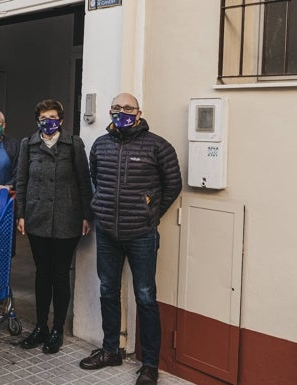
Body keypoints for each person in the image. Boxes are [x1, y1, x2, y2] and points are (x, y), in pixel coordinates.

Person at [79, 93, 182, 385]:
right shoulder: (100, 144)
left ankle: (150, 364)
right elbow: (96, 177)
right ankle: (110, 349)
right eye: (116, 108)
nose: (121, 112)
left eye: (127, 108)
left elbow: (173, 184)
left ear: (139, 112)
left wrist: (151, 214)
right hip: (108, 234)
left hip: (141, 234)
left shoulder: (157, 146)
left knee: (146, 297)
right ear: (110, 111)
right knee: (108, 290)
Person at [15, 99, 93, 354]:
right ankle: (40, 327)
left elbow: (84, 181)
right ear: (37, 121)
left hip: (66, 218)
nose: (48, 122)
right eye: (43, 118)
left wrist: (86, 214)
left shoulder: (74, 145)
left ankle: (57, 328)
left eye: (53, 117)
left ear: (61, 120)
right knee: (42, 274)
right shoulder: (29, 145)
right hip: (37, 218)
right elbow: (22, 180)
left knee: (60, 275)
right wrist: (21, 214)